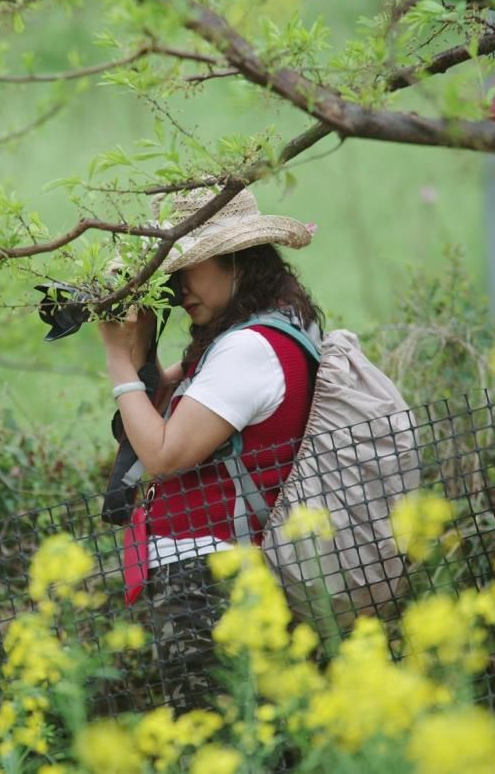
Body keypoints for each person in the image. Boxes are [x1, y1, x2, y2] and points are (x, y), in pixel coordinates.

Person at [96, 186, 322, 711]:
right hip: (220, 575)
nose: (177, 290)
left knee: (215, 746)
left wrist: (116, 359)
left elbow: (163, 454)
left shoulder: (248, 351)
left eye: (187, 270)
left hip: (213, 581)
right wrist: (141, 342)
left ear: (236, 259)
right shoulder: (267, 331)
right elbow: (157, 406)